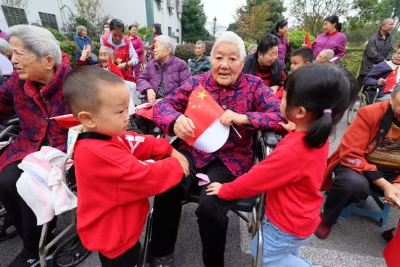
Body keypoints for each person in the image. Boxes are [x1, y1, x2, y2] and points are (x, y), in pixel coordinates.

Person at [149, 31, 284, 267]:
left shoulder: (254, 86)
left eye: (232, 59)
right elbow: (164, 106)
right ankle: (161, 254)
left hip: (231, 159)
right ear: (211, 60)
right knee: (166, 185)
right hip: (193, 151)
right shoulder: (197, 82)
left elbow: (279, 116)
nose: (224, 65)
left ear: (243, 63)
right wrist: (174, 120)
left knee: (209, 209)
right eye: (219, 57)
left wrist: (245, 118)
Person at [206, 64, 353, 266]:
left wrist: (225, 189)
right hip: (303, 218)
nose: (279, 99)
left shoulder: (292, 151)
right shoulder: (318, 135)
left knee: (265, 257)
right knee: (287, 253)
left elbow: (254, 180)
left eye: (284, 97)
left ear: (300, 111)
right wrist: (295, 127)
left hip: (283, 225)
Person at [63, 66, 188, 267]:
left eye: (128, 108)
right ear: (88, 118)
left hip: (115, 227)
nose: (127, 116)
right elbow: (144, 176)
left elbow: (132, 140)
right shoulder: (101, 154)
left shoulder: (101, 133)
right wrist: (176, 164)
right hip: (115, 236)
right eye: (120, 111)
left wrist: (165, 148)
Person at [0, 25, 71, 267]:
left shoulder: (75, 84)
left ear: (48, 60)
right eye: (12, 53)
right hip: (28, 145)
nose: (13, 60)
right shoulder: (17, 84)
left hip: (62, 151)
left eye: (19, 54)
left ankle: (35, 248)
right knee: (6, 179)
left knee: (26, 184)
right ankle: (25, 230)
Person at [316, 83, 400, 240]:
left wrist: (397, 182)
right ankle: (327, 217)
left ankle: (396, 235)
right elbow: (351, 153)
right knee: (352, 184)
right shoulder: (370, 113)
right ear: (391, 98)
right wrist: (385, 185)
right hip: (359, 165)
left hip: (394, 172)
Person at [77, 45, 137, 114]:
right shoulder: (96, 68)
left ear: (112, 57)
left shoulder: (120, 68)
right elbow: (80, 72)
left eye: (105, 55)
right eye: (100, 55)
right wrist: (83, 57)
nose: (102, 58)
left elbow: (132, 83)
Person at [137, 35, 191, 106]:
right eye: (154, 47)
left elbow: (186, 90)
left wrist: (166, 100)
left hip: (172, 105)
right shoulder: (151, 64)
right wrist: (148, 88)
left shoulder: (181, 65)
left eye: (156, 47)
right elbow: (141, 79)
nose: (154, 50)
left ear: (167, 50)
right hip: (151, 105)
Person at [358, 19, 395, 89]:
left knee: (371, 86)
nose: (392, 26)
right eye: (390, 24)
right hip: (368, 66)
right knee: (359, 84)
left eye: (393, 24)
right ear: (382, 26)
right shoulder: (373, 39)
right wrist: (383, 60)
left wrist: (387, 60)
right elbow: (371, 53)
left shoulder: (389, 38)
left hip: (381, 66)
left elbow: (391, 51)